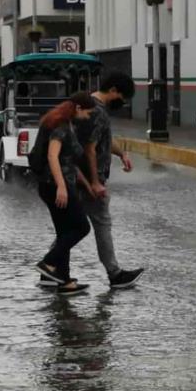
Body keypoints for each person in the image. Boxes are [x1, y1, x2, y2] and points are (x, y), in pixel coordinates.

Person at [75, 71, 145, 290]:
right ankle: (115, 274)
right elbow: (90, 148)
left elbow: (104, 139)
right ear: (113, 90)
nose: (122, 103)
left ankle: (51, 266)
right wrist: (95, 182)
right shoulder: (97, 111)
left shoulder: (94, 107)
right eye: (122, 98)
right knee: (101, 224)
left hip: (80, 177)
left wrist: (121, 154)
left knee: (72, 226)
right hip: (88, 180)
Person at [34, 92, 98, 296]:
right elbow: (53, 156)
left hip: (56, 184)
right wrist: (61, 186)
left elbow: (67, 160)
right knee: (81, 227)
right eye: (88, 112)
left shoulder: (66, 123)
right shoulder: (61, 126)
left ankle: (63, 280)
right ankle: (48, 263)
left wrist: (86, 184)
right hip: (55, 186)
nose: (88, 116)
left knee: (64, 232)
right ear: (78, 108)